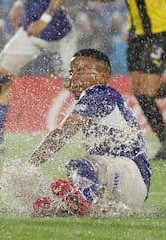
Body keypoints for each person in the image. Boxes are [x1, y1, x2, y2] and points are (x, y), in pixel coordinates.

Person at [28, 49, 151, 217]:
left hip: (130, 176)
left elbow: (62, 132)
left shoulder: (99, 92)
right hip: (127, 186)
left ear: (102, 76)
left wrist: (27, 167)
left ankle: (86, 206)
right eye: (71, 72)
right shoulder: (104, 99)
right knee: (74, 179)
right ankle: (78, 207)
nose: (73, 78)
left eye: (81, 71)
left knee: (78, 166)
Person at [0, 0, 77, 153]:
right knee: (2, 76)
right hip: (30, 30)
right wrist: (18, 5)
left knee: (74, 84)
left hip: (59, 36)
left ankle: (99, 122)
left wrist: (44, 20)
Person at [124, 0, 166, 160]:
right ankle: (164, 139)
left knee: (149, 90)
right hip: (136, 33)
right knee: (139, 91)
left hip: (160, 31)